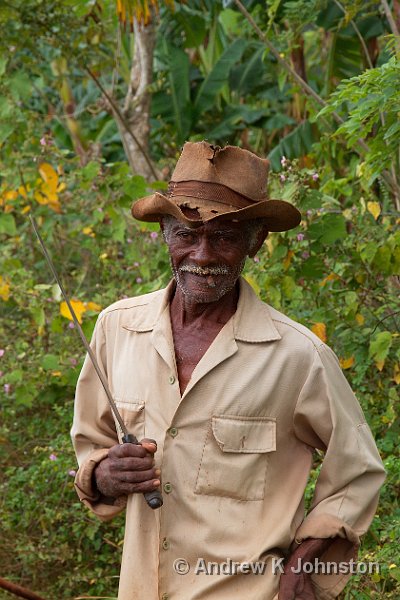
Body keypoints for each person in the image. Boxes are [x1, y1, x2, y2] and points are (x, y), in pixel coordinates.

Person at [71, 141, 386, 600]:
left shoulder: (298, 356)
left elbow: (358, 471)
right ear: (164, 232)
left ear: (254, 242)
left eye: (225, 235)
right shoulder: (116, 329)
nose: (203, 255)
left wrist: (307, 563)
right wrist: (101, 476)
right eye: (187, 234)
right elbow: (91, 443)